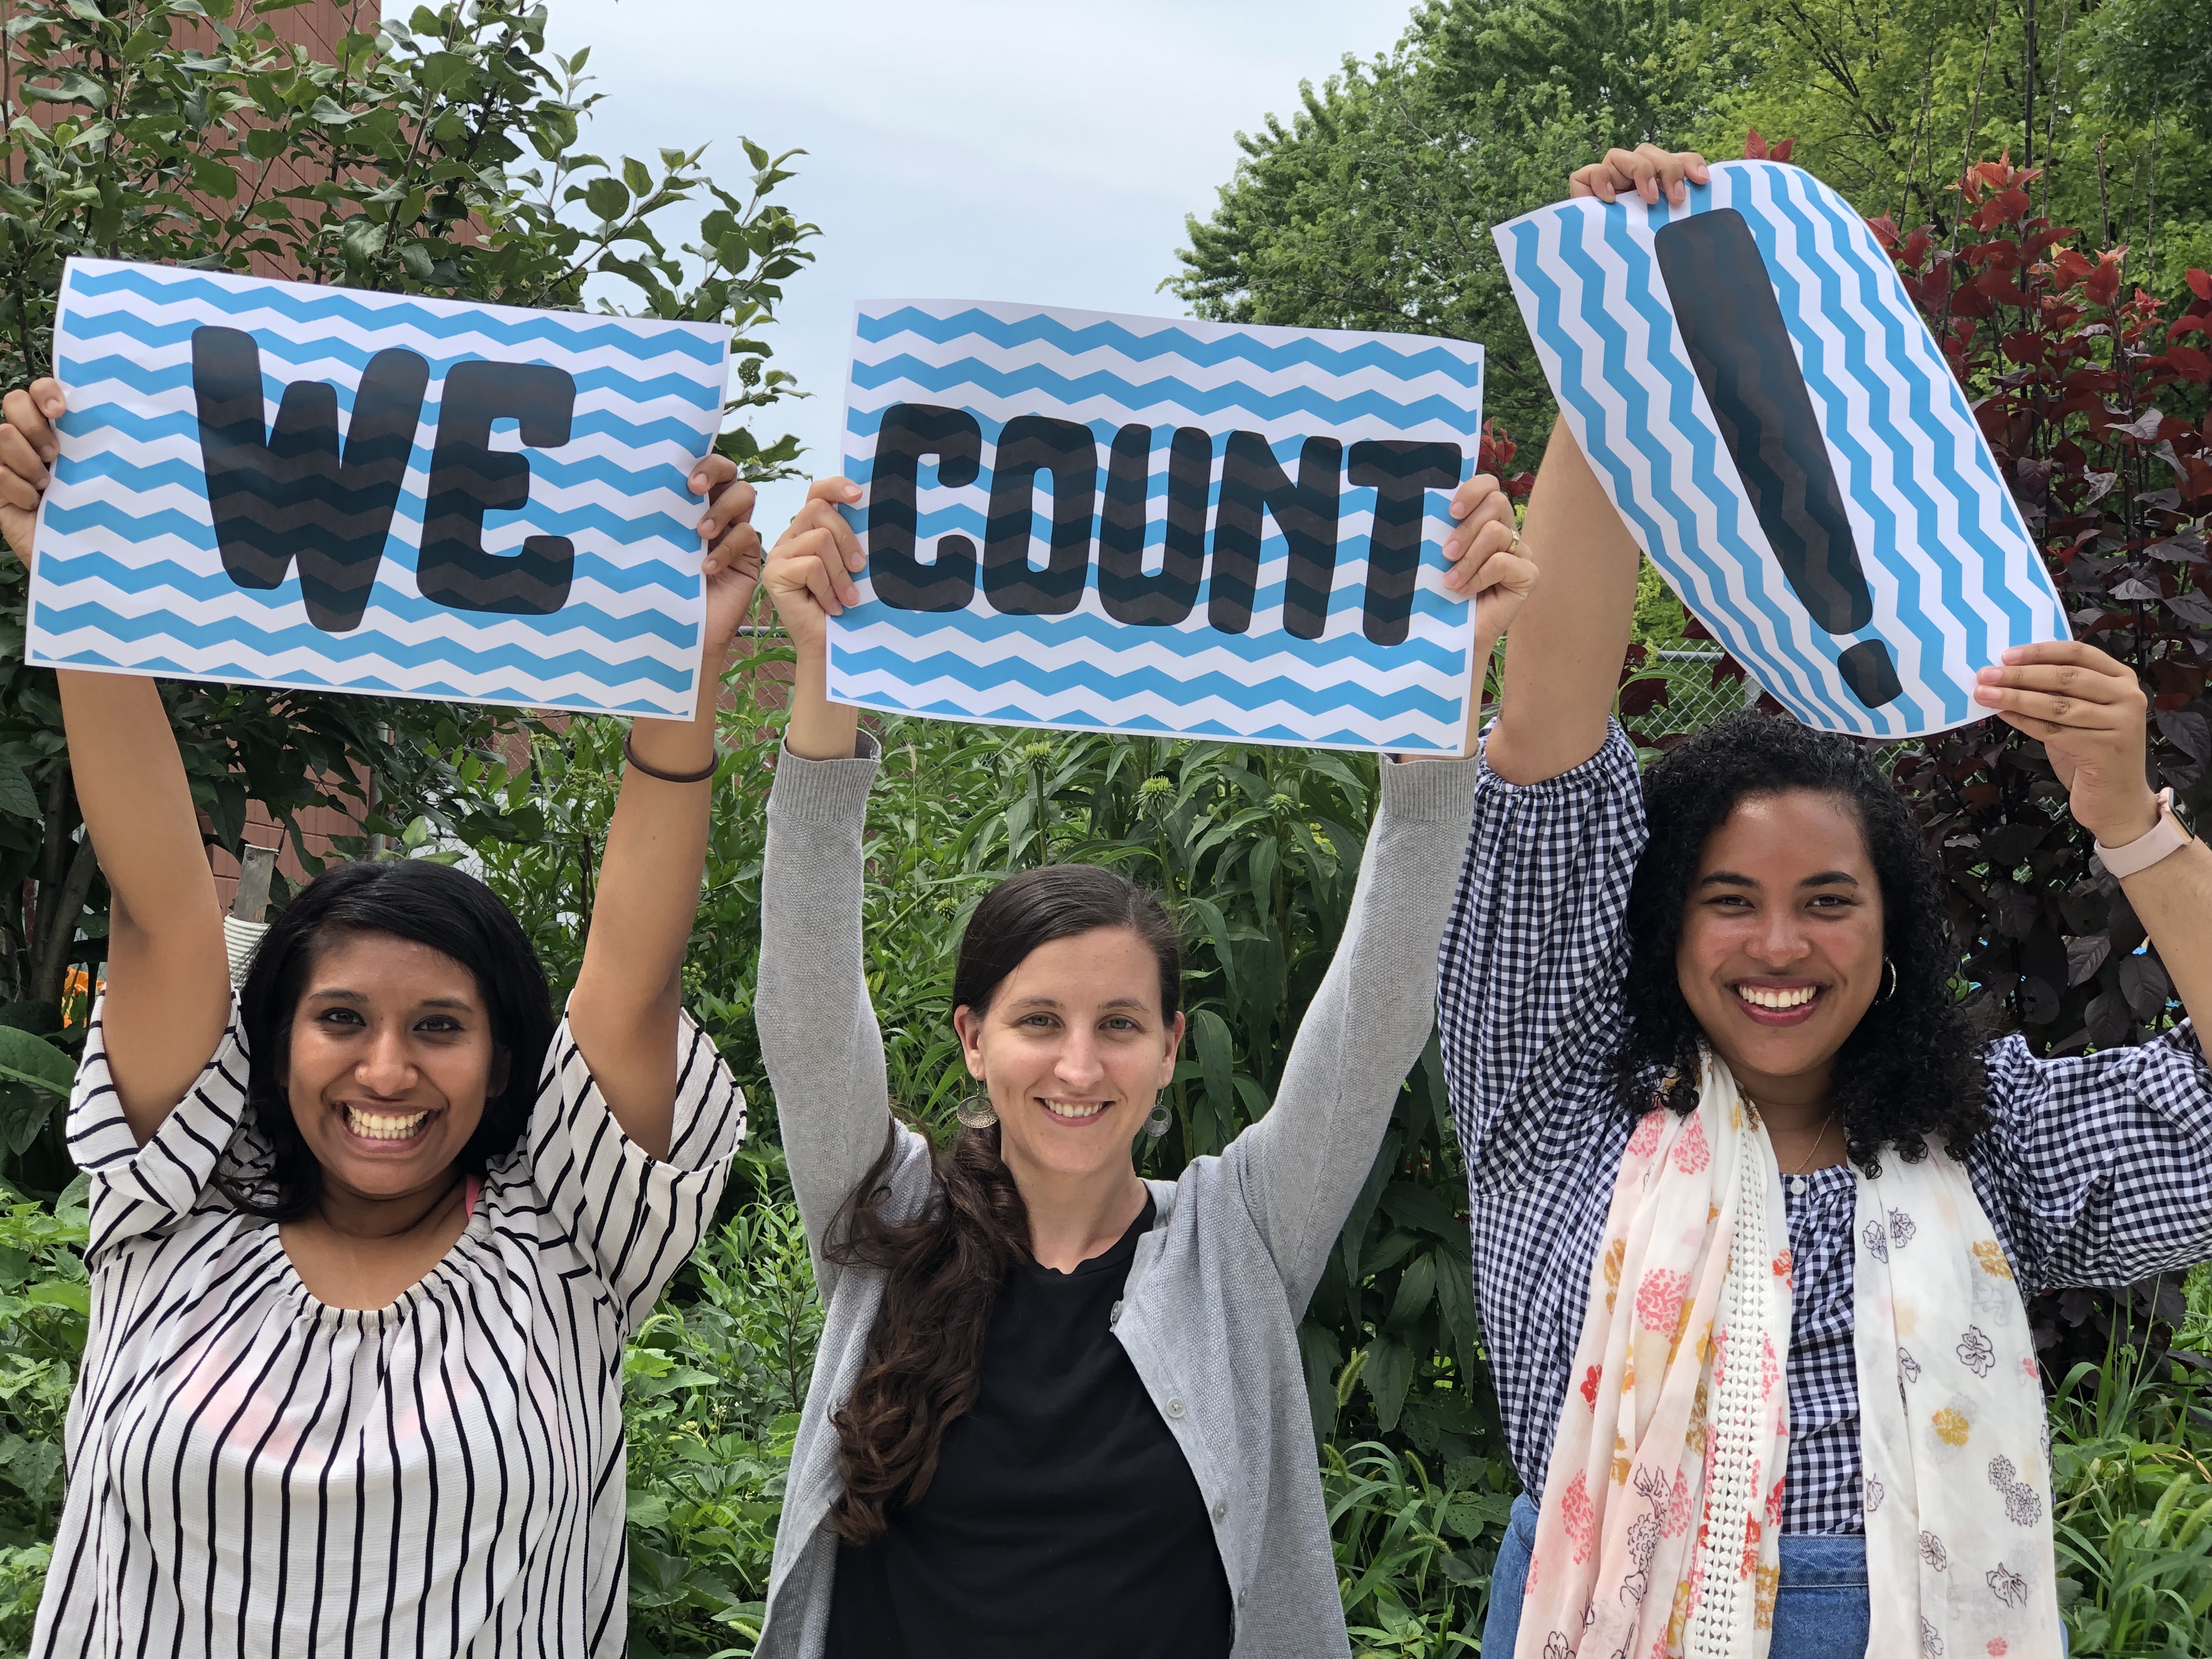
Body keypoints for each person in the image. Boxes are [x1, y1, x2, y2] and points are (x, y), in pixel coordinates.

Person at [1441, 146, 2212, 1659]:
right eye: (1728, 900)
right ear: (1663, 925)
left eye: (1826, 902)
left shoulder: (1976, 1134)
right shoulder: (1555, 1097)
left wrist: (2130, 821)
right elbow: (1546, 743)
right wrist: (1621, 333)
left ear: (1890, 936)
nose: (1779, 944)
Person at [0, 375, 758, 1655]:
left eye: (442, 1028)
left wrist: (682, 678)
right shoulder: (172, 1201)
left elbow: (630, 972)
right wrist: (80, 577)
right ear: (272, 1037)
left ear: (510, 1055)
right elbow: (165, 908)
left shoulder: (572, 1246)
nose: (387, 1070)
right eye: (341, 1018)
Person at [744, 467, 1536, 1659]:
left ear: (1171, 1048)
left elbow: (1374, 1021)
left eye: (1120, 1024)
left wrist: (1443, 677)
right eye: (1036, 1022)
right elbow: (804, 1011)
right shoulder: (888, 1219)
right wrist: (817, 676)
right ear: (972, 1041)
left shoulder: (1239, 1241)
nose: (1078, 1063)